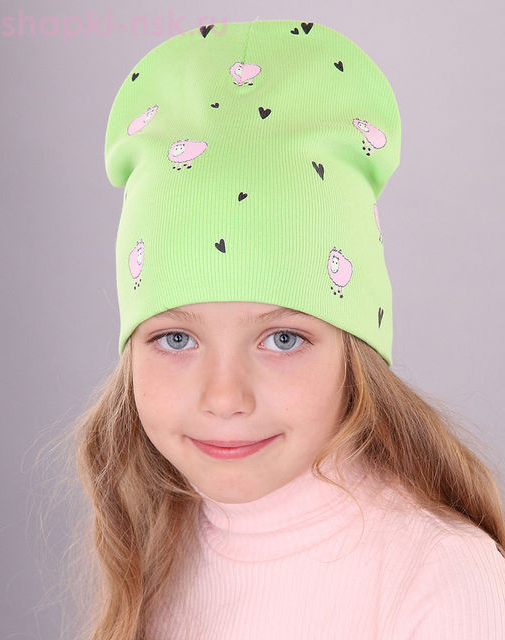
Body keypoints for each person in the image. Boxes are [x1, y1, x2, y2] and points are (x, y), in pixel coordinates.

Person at [61, 18, 505, 640]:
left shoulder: (442, 580)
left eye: (282, 339)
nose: (224, 398)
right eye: (176, 339)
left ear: (354, 355)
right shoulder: (158, 548)